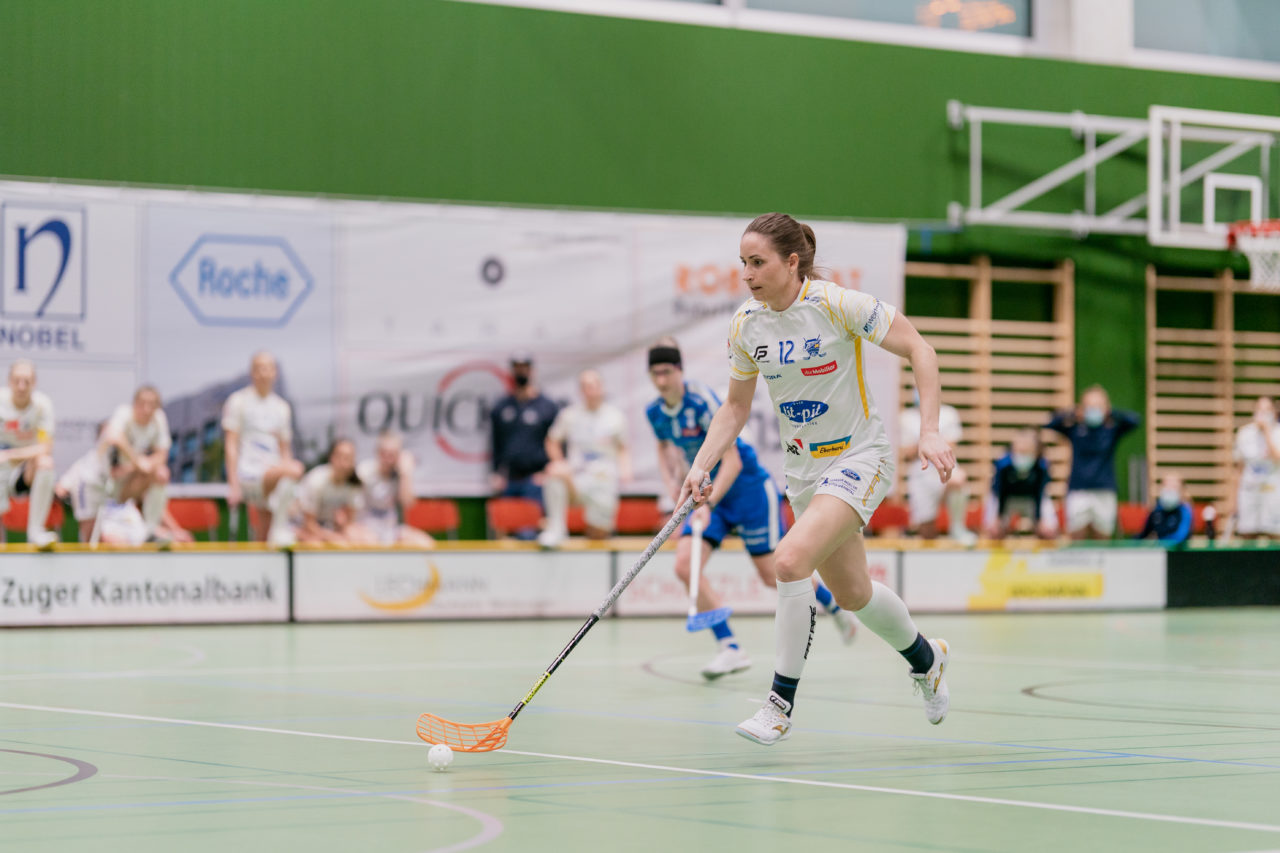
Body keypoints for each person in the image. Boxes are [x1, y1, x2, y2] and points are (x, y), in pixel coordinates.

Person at [678, 213, 952, 746]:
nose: (748, 274)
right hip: (804, 474)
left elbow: (921, 348)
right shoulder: (747, 325)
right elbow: (735, 408)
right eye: (743, 264)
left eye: (758, 263)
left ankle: (779, 704)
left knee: (788, 560)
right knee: (852, 594)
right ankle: (927, 658)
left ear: (792, 261)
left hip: (860, 458)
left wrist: (933, 430)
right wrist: (701, 463)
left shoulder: (838, 305)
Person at [646, 338, 858, 680]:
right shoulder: (655, 412)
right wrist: (674, 488)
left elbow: (730, 463)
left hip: (746, 490)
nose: (661, 380)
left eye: (667, 372)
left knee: (769, 573)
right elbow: (664, 448)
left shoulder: (702, 401)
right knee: (686, 567)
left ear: (680, 371)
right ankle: (729, 647)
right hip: (704, 493)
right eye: (654, 373)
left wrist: (708, 504)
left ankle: (833, 604)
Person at [537, 369, 631, 548]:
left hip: (604, 481)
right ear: (580, 391)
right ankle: (556, 529)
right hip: (577, 478)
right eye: (586, 386)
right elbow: (552, 440)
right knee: (554, 476)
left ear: (602, 388)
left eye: (595, 385)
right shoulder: (570, 415)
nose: (591, 390)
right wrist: (560, 463)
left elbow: (623, 448)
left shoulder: (616, 417)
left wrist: (625, 471)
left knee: (599, 535)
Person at [222, 351, 305, 544]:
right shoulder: (238, 401)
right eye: (258, 368)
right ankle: (281, 529)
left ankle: (266, 557)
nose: (263, 373)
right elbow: (231, 444)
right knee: (295, 469)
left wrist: (287, 472)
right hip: (249, 475)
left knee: (264, 534)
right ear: (252, 373)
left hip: (274, 475)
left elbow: (285, 449)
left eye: (268, 368)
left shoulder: (282, 407)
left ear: (275, 372)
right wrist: (233, 484)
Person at [1045, 385, 1139, 540]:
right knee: (1076, 537)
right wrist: (1074, 413)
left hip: (1104, 491)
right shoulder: (1075, 429)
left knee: (1102, 538)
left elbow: (1134, 420)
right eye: (1090, 406)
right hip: (1078, 491)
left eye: (1098, 406)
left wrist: (1110, 412)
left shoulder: (1111, 430)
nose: (1094, 410)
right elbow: (1051, 423)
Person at [489, 353, 560, 539]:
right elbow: (495, 443)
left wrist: (547, 472)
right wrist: (496, 472)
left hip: (534, 480)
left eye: (524, 367)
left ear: (531, 370)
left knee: (528, 532)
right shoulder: (501, 407)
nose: (521, 372)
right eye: (517, 368)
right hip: (509, 479)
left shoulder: (547, 406)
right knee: (503, 530)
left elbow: (557, 443)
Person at [900, 393, 975, 544]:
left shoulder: (948, 413)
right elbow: (907, 452)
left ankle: (957, 527)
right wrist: (931, 443)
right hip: (921, 471)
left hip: (944, 464)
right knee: (925, 527)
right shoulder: (906, 418)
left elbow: (951, 444)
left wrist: (924, 444)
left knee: (958, 481)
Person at [101, 385, 172, 541]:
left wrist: (143, 465)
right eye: (142, 404)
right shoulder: (123, 413)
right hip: (107, 486)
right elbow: (113, 436)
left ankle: (150, 530)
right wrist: (138, 462)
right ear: (134, 403)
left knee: (161, 473)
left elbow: (162, 455)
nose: (146, 409)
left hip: (132, 486)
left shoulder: (159, 418)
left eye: (152, 405)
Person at [0, 360, 58, 547]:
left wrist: (10, 455)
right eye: (17, 380)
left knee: (46, 463)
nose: (21, 386)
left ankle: (35, 532)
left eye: (27, 381)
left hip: (23, 472)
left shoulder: (42, 405)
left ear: (34, 383)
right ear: (9, 382)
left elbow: (45, 447)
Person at [356, 431, 434, 547]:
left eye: (392, 455)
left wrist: (405, 474)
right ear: (377, 452)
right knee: (371, 543)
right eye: (384, 454)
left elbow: (407, 503)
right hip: (366, 527)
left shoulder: (400, 475)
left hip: (390, 529)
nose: (387, 459)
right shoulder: (364, 471)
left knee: (426, 543)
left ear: (399, 456)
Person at [293, 438, 373, 545]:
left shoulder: (354, 485)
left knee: (365, 538)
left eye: (349, 458)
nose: (344, 463)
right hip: (303, 528)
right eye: (341, 457)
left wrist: (342, 525)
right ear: (332, 458)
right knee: (315, 544)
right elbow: (308, 524)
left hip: (332, 529)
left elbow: (350, 522)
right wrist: (333, 537)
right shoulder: (316, 480)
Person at [982, 427, 1058, 539]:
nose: (1023, 455)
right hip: (1007, 499)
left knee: (1049, 530)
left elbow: (1040, 494)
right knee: (993, 529)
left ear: (1035, 451)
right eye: (1020, 451)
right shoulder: (1003, 465)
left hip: (1031, 499)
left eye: (1026, 451)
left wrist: (1040, 519)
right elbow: (998, 492)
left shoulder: (1042, 467)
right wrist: (998, 518)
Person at [1229, 395, 1280, 540]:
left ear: (1274, 412)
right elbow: (1238, 470)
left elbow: (1277, 457)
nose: (1263, 413)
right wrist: (1234, 502)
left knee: (1275, 537)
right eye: (1260, 409)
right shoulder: (1244, 434)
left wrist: (1267, 432)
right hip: (1249, 494)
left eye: (1267, 409)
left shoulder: (1278, 433)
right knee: (1247, 536)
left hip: (1274, 495)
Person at [1135, 472, 1193, 546]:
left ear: (1181, 491)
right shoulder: (1156, 511)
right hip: (1161, 553)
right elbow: (1142, 535)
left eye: (1173, 487)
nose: (1169, 490)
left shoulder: (1185, 511)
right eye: (1166, 486)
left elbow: (1180, 537)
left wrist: (1158, 544)